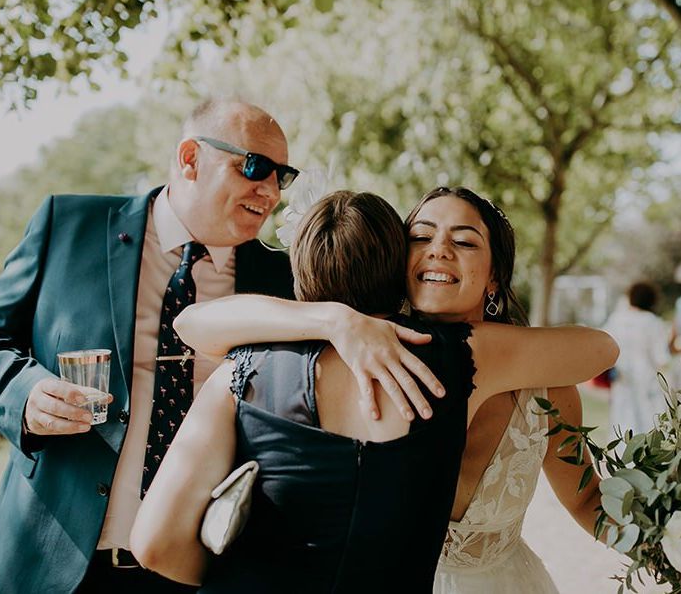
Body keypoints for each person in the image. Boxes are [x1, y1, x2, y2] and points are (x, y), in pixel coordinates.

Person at [130, 190, 618, 592]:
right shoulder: (465, 358)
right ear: (394, 262)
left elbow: (155, 543)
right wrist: (337, 321)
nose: (438, 249)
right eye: (421, 236)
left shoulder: (239, 372)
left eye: (464, 242)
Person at [0, 100, 300, 594]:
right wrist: (23, 393)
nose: (269, 190)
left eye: (280, 176)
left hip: (197, 569)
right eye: (253, 166)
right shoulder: (69, 224)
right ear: (189, 159)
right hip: (56, 564)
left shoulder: (282, 279)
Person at [603, 281, 676, 435]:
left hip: (622, 379)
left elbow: (603, 348)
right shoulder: (652, 322)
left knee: (622, 422)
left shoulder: (616, 319)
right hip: (647, 380)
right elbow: (661, 357)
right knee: (647, 425)